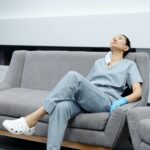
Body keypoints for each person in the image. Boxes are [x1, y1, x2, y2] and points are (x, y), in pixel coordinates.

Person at [2, 34, 142, 150]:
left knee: (73, 76)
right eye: (113, 37)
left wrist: (122, 100)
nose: (114, 39)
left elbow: (138, 92)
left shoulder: (129, 65)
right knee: (61, 106)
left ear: (126, 47)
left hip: (106, 100)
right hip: (89, 98)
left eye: (119, 38)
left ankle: (31, 119)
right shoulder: (99, 62)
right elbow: (86, 84)